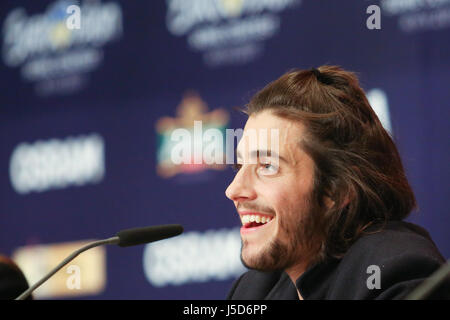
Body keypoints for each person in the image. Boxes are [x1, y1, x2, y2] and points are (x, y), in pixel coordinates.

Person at [225, 66, 449, 300]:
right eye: (240, 166)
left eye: (267, 166)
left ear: (337, 190)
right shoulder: (254, 292)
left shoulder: (393, 272)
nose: (233, 190)